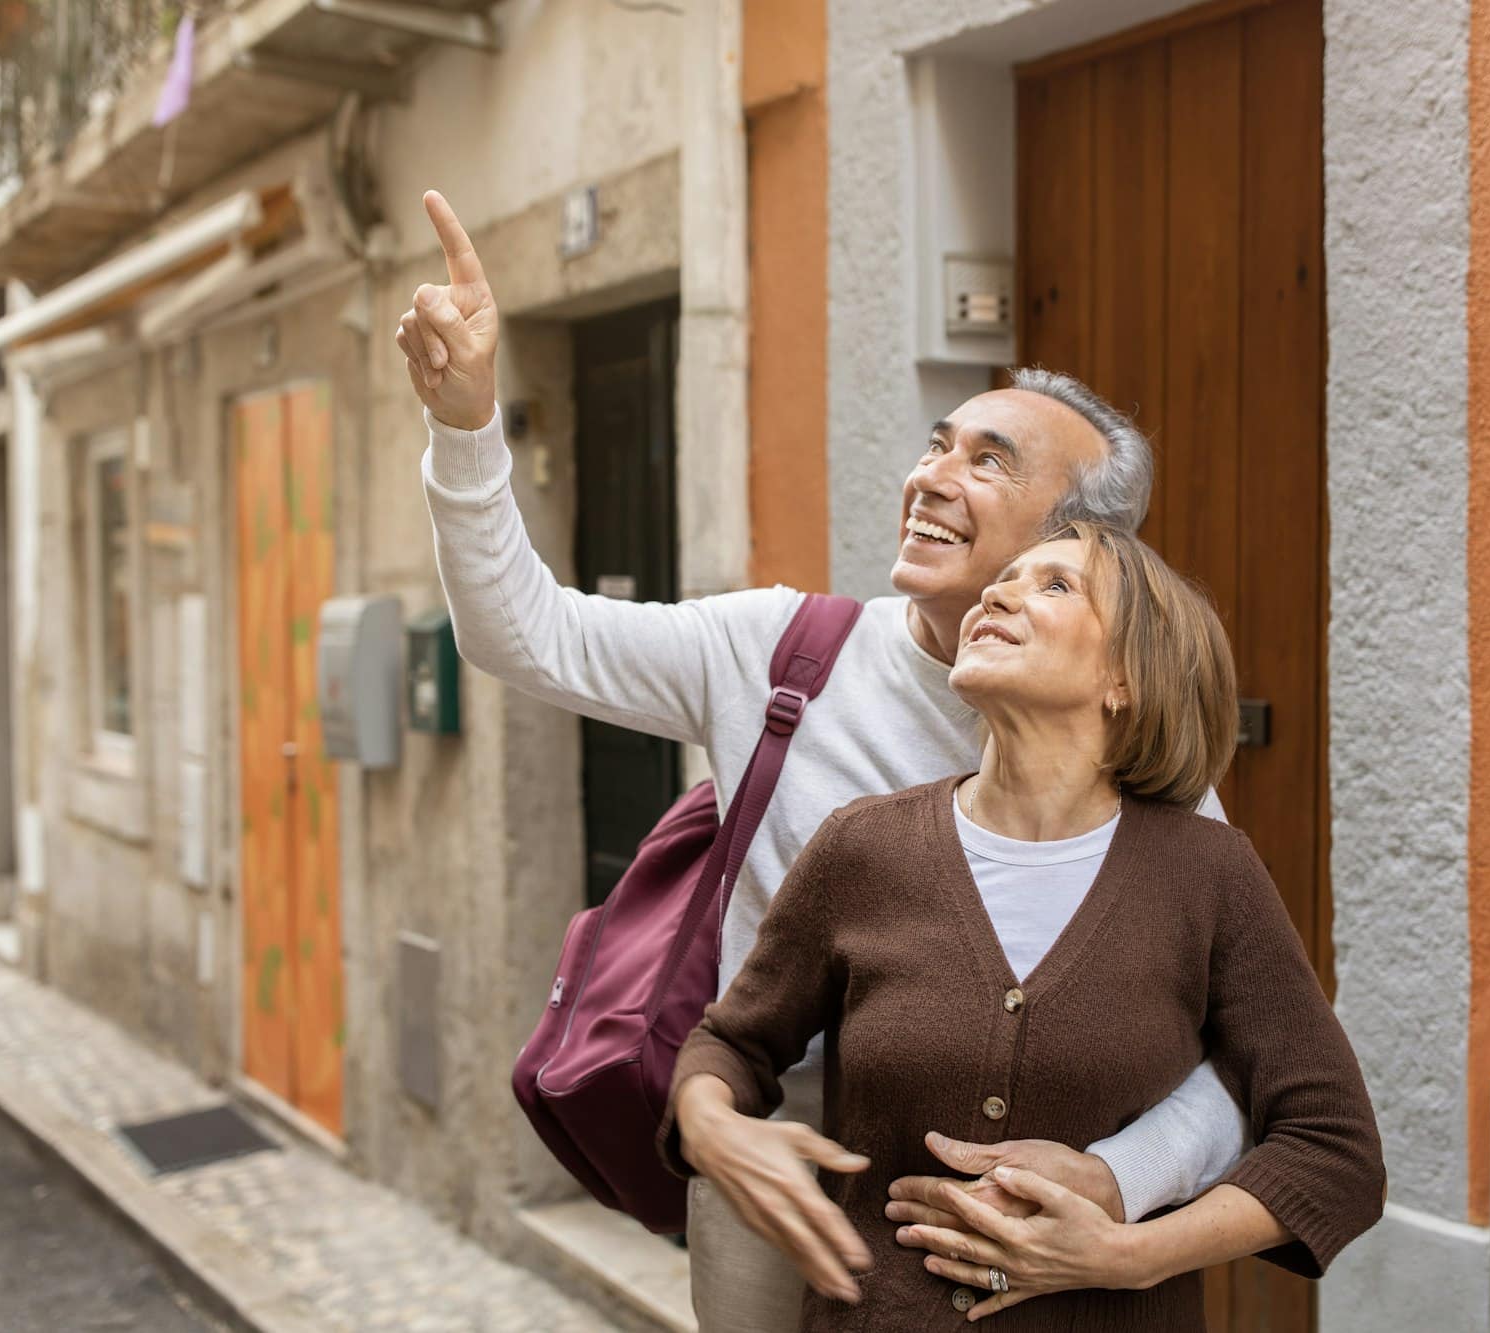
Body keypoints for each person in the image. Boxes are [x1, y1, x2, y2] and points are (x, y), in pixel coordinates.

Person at [398, 190, 1248, 1328]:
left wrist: (1118, 1184)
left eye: (988, 463)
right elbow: (525, 633)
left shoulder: (1133, 747)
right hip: (775, 1177)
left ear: (1078, 544)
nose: (932, 474)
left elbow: (1244, 1056)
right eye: (936, 443)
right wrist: (464, 427)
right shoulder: (780, 652)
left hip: (1009, 1228)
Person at [661, 522, 1385, 1329]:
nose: (995, 593)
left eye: (1054, 585)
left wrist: (1129, 1254)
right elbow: (733, 1043)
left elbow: (1335, 1146)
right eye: (1004, 576)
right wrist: (710, 1120)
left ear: (1125, 678)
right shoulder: (862, 845)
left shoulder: (1209, 874)